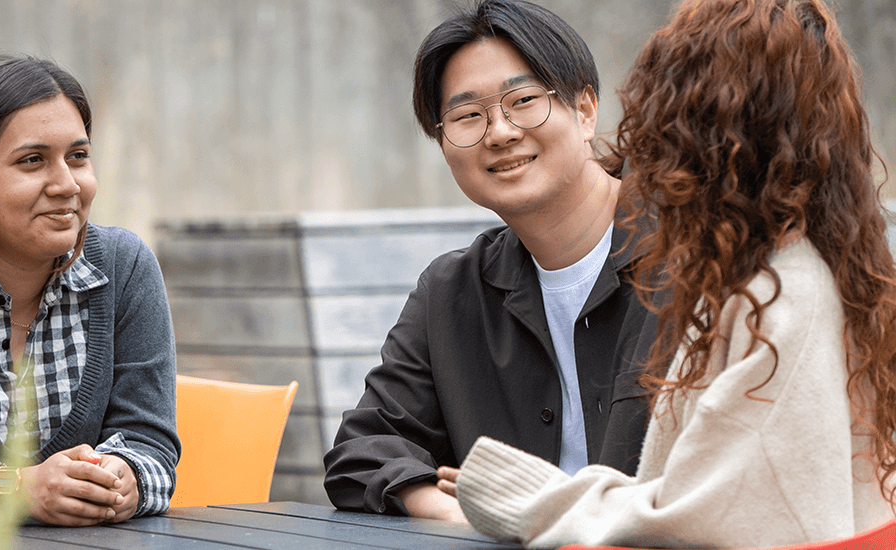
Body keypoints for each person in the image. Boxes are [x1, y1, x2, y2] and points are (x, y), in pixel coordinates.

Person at [447, 0, 896, 546]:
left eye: (669, 116)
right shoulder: (767, 277)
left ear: (718, 138)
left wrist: (524, 498)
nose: (648, 147)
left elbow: (716, 522)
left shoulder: (782, 298)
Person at [324, 0, 660, 521]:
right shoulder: (453, 290)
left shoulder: (695, 254)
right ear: (442, 144)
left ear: (585, 110)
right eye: (467, 116)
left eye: (523, 100)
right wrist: (459, 514)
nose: (500, 132)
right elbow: (362, 451)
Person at [0, 54, 179, 528]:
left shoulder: (125, 268)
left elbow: (151, 447)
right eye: (32, 161)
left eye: (78, 157)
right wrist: (14, 490)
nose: (67, 185)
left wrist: (118, 478)